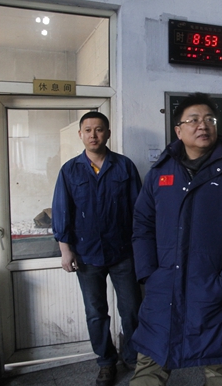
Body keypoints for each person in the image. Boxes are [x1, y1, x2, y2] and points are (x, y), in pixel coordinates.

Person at [130, 92, 222, 386]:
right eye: (193, 119)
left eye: (210, 119)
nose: (203, 125)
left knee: (216, 364)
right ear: (178, 130)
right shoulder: (159, 174)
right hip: (163, 290)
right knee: (149, 364)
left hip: (212, 289)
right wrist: (148, 274)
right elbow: (142, 224)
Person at [52, 111, 143, 386]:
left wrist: (143, 249)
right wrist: (65, 250)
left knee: (132, 309)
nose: (94, 135)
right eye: (88, 130)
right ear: (80, 134)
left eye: (99, 129)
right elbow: (62, 211)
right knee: (96, 312)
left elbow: (139, 211)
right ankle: (106, 361)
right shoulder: (70, 170)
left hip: (123, 252)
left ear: (108, 133)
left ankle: (133, 356)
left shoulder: (124, 167)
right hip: (87, 254)